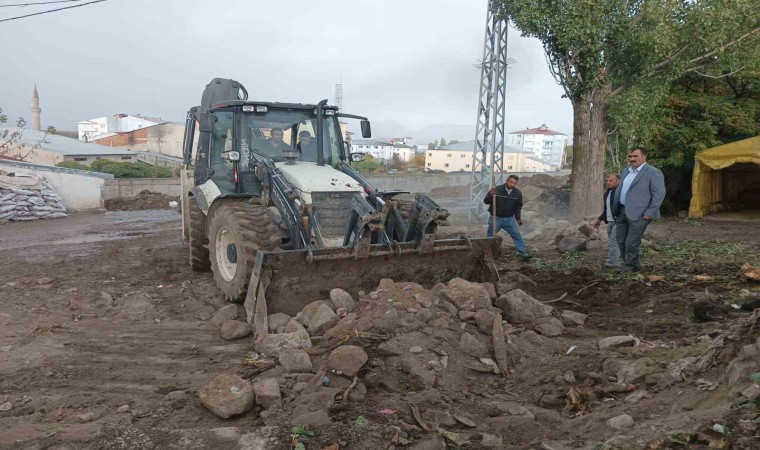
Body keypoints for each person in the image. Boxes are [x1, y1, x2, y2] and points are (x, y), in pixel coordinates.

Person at [612, 147, 666, 274]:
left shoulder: (653, 172)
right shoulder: (626, 171)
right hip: (622, 211)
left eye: (635, 156)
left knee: (631, 242)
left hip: (641, 214)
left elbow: (659, 193)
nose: (632, 159)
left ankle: (629, 267)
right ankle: (632, 264)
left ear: (644, 157)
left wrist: (650, 212)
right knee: (621, 240)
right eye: (630, 156)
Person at [484, 174, 531, 260]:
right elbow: (486, 201)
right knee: (490, 236)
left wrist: (518, 218)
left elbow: (518, 207)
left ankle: (523, 253)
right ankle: (487, 254)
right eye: (511, 182)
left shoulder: (517, 193)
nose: (512, 185)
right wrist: (490, 195)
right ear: (507, 181)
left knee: (517, 235)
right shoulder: (496, 189)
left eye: (514, 183)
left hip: (509, 219)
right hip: (495, 218)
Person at [591, 173, 621, 268]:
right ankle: (618, 260)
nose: (608, 182)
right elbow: (606, 209)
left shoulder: (621, 193)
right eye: (607, 181)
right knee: (615, 242)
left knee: (613, 242)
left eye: (611, 180)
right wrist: (599, 219)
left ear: (618, 181)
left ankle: (611, 264)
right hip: (610, 221)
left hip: (619, 221)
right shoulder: (607, 193)